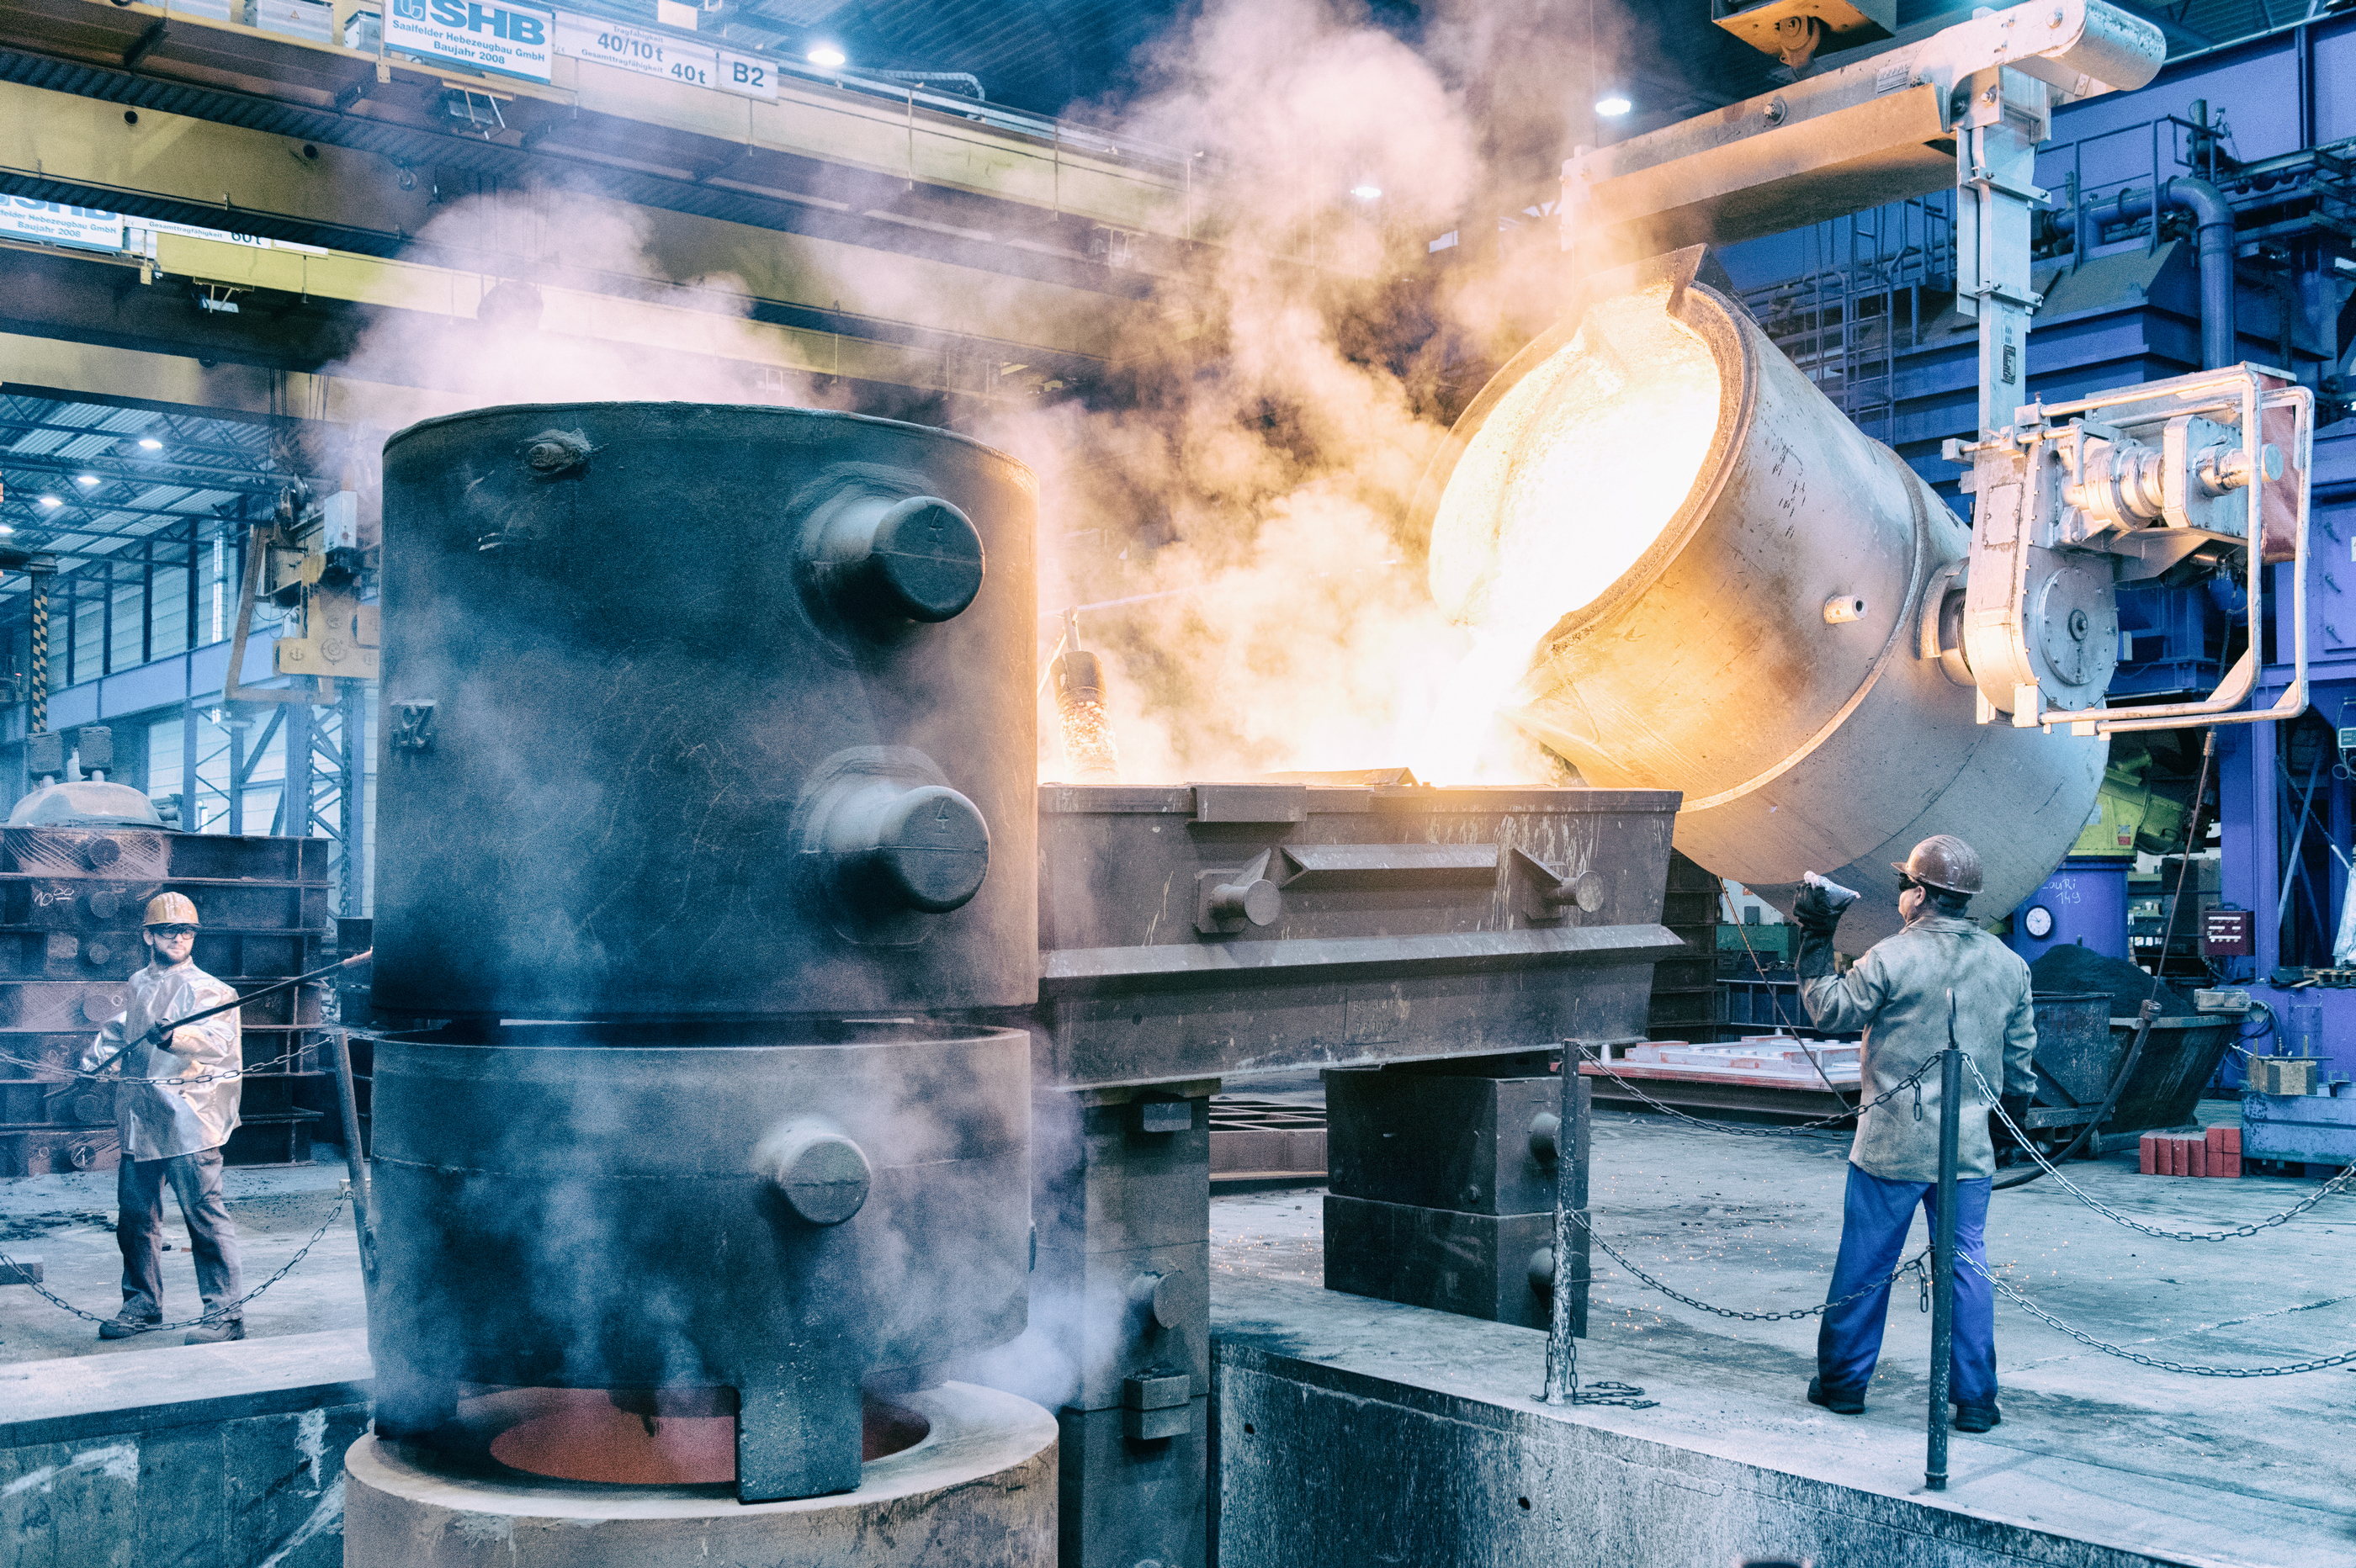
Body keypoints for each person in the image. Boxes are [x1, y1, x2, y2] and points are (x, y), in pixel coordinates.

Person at [1791, 834, 2035, 1433]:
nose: (1902, 894)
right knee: (1966, 1265)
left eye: (1905, 885)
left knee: (1866, 1263)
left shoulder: (1890, 958)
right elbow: (2021, 1061)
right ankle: (1975, 1401)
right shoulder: (2009, 964)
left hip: (1891, 1146)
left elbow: (1829, 1010)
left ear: (1920, 895)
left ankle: (1844, 1386)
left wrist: (1816, 935)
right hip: (1969, 1148)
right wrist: (2009, 1124)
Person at [82, 893, 247, 1345]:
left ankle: (226, 1315)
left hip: (189, 1119)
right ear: (148, 936)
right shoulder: (139, 982)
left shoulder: (212, 990)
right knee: (135, 1219)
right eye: (169, 930)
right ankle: (142, 1304)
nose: (179, 938)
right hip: (141, 1118)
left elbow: (219, 1042)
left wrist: (176, 1037)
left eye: (187, 931)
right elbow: (125, 1028)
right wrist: (94, 1063)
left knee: (205, 1219)